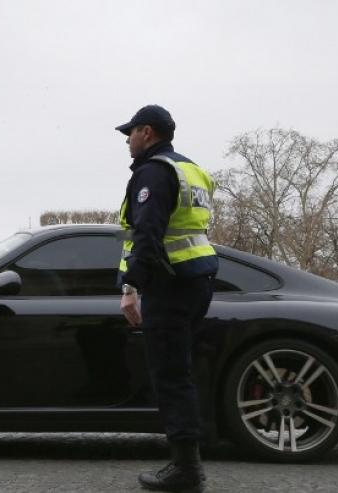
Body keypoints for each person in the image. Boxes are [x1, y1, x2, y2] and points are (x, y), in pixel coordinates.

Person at [115, 105, 218, 493]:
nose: (127, 140)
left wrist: (130, 288)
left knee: (170, 376)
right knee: (182, 372)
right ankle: (188, 460)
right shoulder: (191, 170)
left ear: (147, 132)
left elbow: (147, 233)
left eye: (131, 133)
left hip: (170, 284)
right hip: (198, 278)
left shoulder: (153, 173)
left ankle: (186, 471)